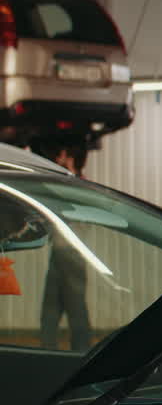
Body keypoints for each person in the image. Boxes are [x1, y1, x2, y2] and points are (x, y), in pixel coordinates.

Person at [31, 139, 91, 351]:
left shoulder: (79, 185)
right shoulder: (65, 182)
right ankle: (48, 351)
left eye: (61, 155)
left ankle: (81, 352)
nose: (57, 159)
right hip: (58, 252)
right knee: (50, 311)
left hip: (73, 255)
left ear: (70, 157)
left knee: (75, 311)